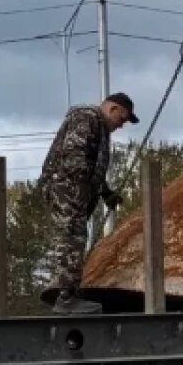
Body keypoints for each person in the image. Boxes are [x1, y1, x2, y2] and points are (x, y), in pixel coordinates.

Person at [38, 92, 138, 314]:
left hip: (73, 189)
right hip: (68, 189)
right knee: (72, 237)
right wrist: (79, 192)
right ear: (112, 109)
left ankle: (70, 292)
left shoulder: (99, 128)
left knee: (75, 237)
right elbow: (75, 156)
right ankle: (66, 298)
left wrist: (105, 193)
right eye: (121, 119)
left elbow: (93, 168)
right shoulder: (87, 118)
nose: (121, 126)